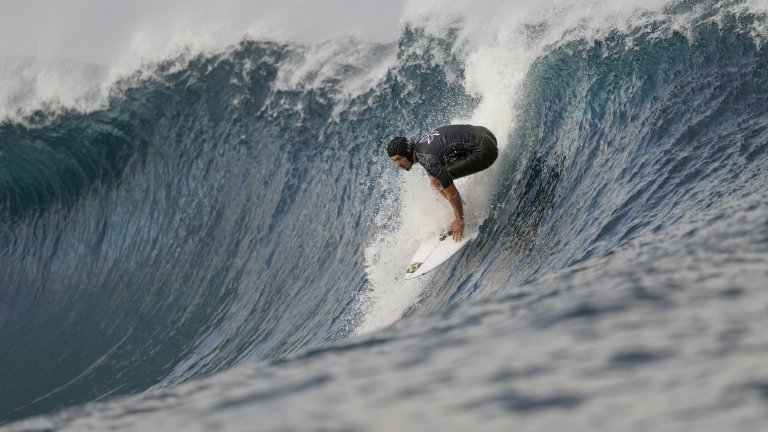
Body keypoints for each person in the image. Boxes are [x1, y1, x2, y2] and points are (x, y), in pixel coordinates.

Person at [387, 124, 498, 241]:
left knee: (441, 182)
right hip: (484, 133)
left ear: (408, 152)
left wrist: (460, 221)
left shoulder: (427, 158)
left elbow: (452, 193)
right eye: (394, 161)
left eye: (399, 159)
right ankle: (462, 207)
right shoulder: (420, 146)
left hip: (486, 151)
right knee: (435, 180)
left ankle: (461, 217)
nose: (398, 165)